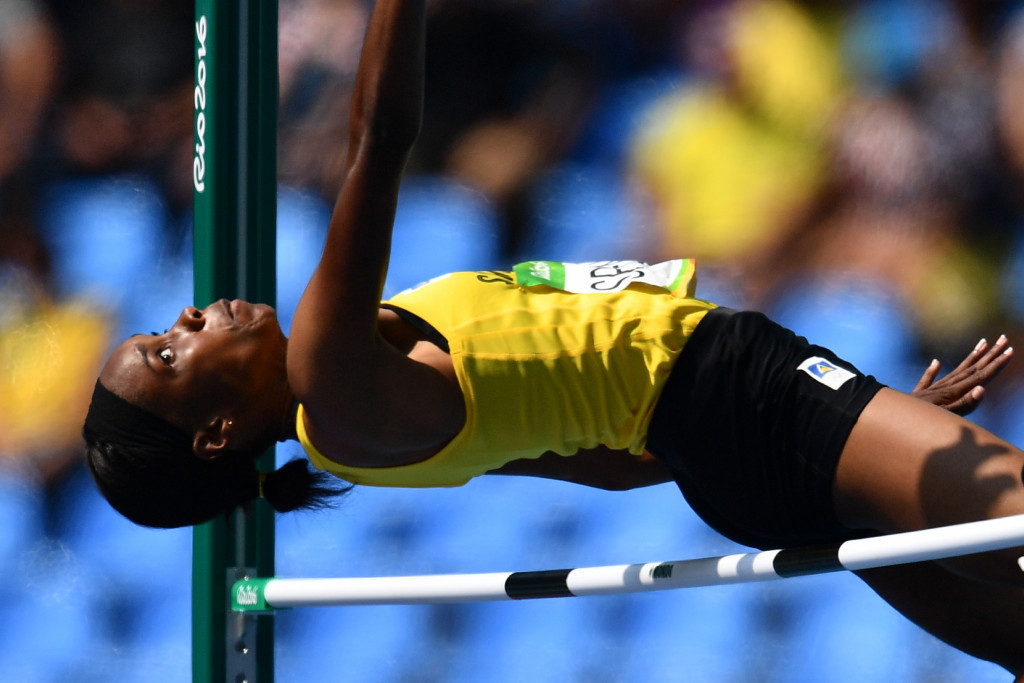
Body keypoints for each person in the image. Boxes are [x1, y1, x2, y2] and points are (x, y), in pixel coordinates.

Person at [83, 0, 1024, 676]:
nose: (193, 314)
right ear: (213, 432)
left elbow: (596, 460)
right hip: (734, 399)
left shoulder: (359, 435)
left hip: (728, 439)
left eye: (167, 326)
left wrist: (848, 437)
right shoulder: (328, 370)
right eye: (171, 352)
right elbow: (379, 136)